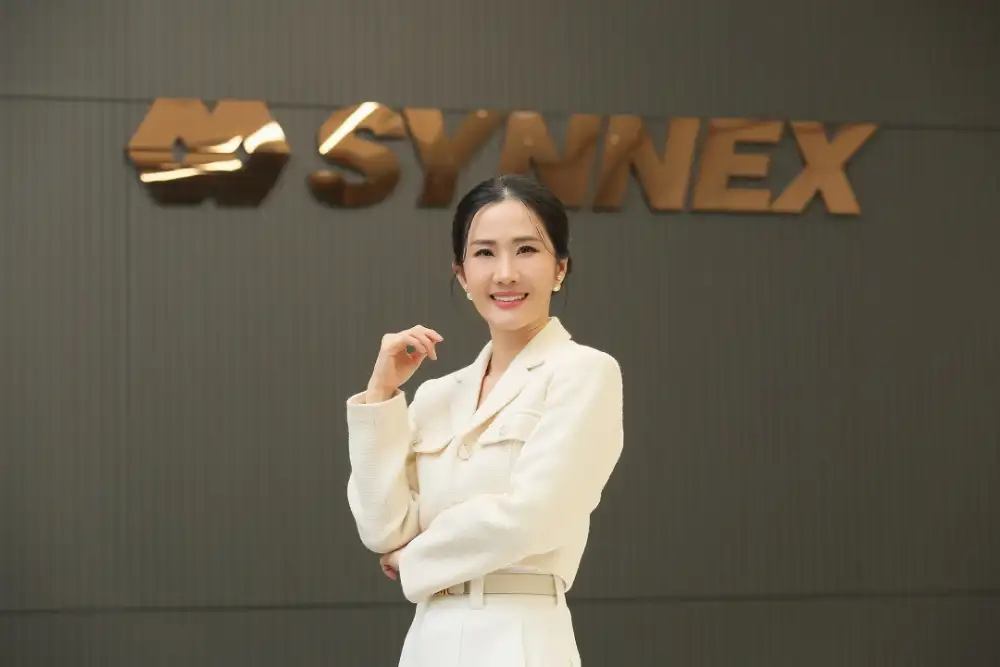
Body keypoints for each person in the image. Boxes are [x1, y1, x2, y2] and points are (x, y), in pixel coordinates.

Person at [344, 173, 624, 667]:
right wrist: (382, 394)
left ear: (560, 268)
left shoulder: (583, 372)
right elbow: (383, 529)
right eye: (485, 253)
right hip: (429, 639)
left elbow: (536, 516)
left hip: (521, 635)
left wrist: (416, 558)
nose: (506, 273)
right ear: (461, 274)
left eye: (526, 250)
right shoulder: (437, 395)